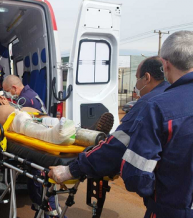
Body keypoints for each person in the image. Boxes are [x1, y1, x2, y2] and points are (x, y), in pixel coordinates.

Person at [49, 31, 193, 218]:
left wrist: (71, 170)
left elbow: (132, 170)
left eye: (137, 79)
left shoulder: (157, 106)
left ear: (165, 64)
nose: (136, 84)